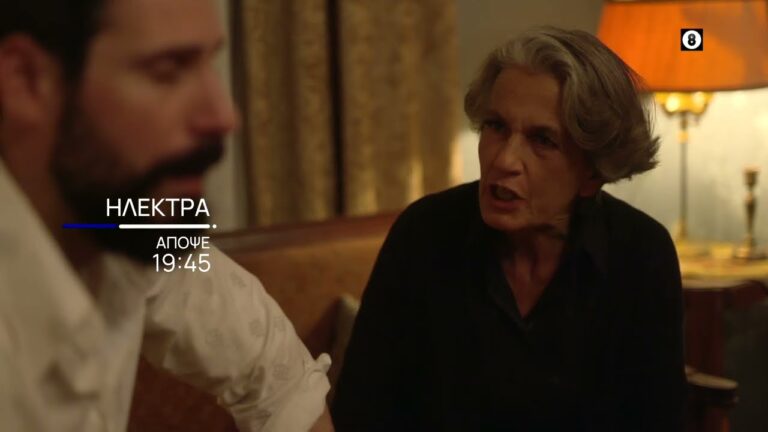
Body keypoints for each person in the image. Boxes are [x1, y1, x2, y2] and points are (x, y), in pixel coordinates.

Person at [0, 0, 334, 430]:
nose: (224, 116)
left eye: (208, 63)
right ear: (26, 80)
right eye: (167, 71)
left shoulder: (120, 215)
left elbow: (273, 367)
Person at [333, 27, 685, 431]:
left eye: (542, 140)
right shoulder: (423, 234)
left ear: (592, 172)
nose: (504, 160)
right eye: (496, 126)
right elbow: (360, 412)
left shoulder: (641, 253)